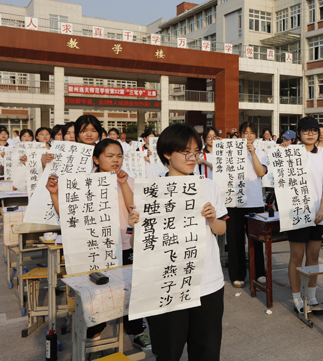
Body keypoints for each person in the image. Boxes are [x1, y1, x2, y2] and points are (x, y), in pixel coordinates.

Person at [130, 123, 228, 360]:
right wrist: (136, 226)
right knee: (167, 352)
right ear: (167, 153)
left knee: (206, 352)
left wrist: (213, 218)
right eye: (185, 152)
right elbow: (139, 247)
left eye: (195, 152)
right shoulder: (151, 192)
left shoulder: (208, 186)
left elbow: (222, 229)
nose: (192, 158)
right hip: (166, 285)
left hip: (208, 284)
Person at [46, 139, 152, 354]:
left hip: (124, 243)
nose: (115, 160)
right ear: (96, 159)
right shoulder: (84, 182)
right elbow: (68, 216)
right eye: (109, 155)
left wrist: (123, 184)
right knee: (96, 293)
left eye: (119, 155)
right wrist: (54, 194)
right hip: (97, 246)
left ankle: (137, 331)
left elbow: (134, 208)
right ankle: (94, 331)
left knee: (131, 291)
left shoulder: (128, 180)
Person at [287, 117, 323, 314]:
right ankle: (297, 297)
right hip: (297, 213)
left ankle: (312, 296)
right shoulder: (289, 153)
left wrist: (322, 209)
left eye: (314, 130)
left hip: (318, 214)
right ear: (298, 133)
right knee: (296, 257)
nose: (310, 134)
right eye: (306, 130)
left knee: (314, 256)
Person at [227, 122, 268, 288]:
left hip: (255, 202)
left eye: (252, 133)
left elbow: (260, 172)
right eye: (246, 132)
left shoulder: (261, 153)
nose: (249, 136)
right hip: (234, 203)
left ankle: (259, 273)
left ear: (256, 136)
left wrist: (253, 154)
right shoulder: (231, 153)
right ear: (240, 135)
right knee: (235, 241)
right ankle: (237, 274)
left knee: (257, 240)